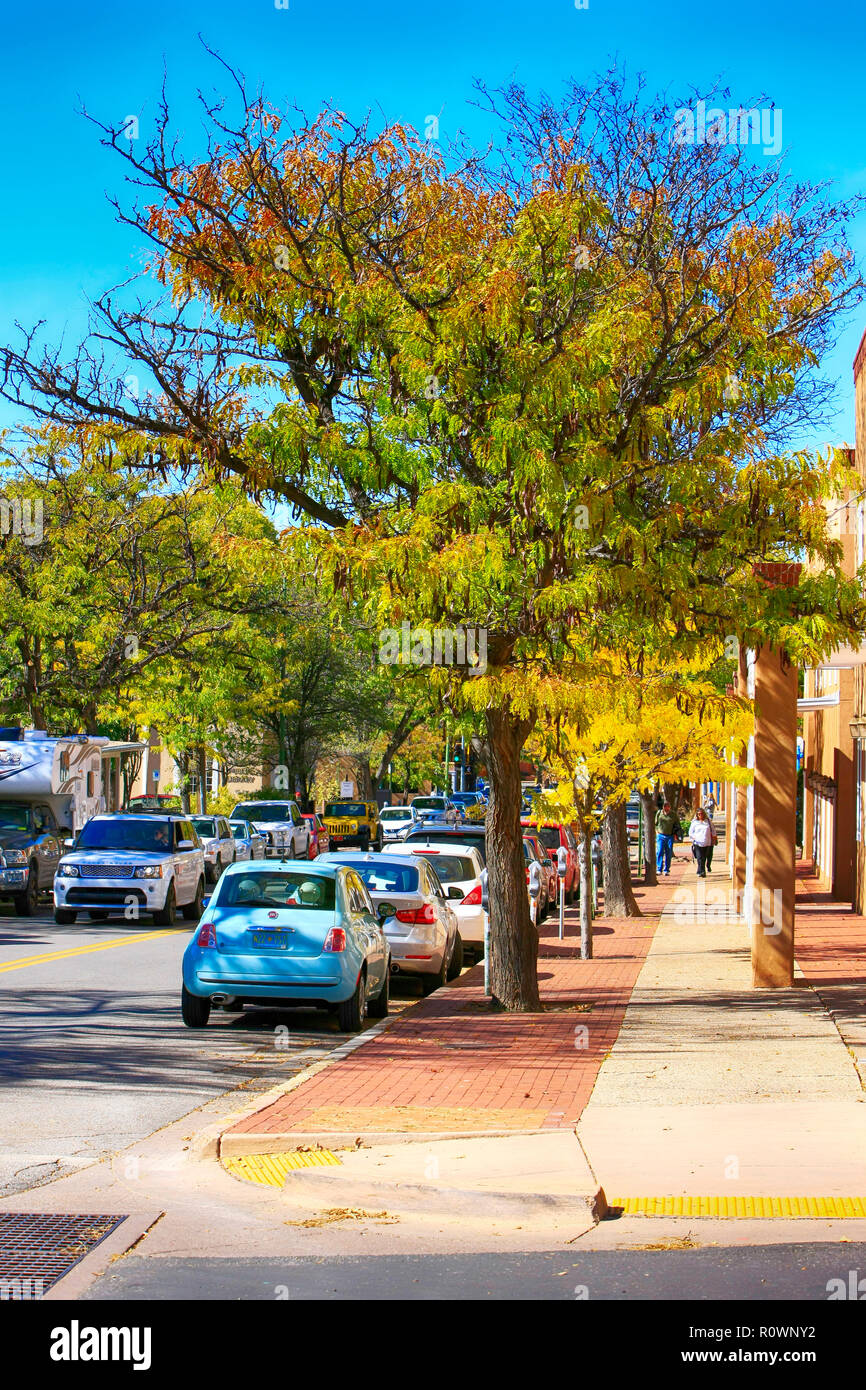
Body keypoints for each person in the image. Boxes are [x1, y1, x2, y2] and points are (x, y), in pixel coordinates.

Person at [655, 802, 681, 876]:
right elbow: (655, 824)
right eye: (665, 806)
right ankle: (659, 868)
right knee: (659, 851)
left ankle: (666, 869)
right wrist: (657, 832)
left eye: (668, 806)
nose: (666, 808)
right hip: (660, 835)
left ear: (670, 807)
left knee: (668, 852)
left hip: (670, 836)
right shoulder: (659, 813)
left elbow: (677, 825)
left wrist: (676, 834)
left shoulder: (673, 814)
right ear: (663, 807)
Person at [688, 807, 714, 877]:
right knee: (699, 857)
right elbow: (690, 832)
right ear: (697, 815)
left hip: (707, 842)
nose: (700, 815)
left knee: (704, 857)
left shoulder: (708, 821)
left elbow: (713, 830)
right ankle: (701, 871)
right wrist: (694, 838)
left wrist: (714, 839)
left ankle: (701, 871)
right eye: (699, 814)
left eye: (702, 814)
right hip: (697, 843)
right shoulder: (694, 822)